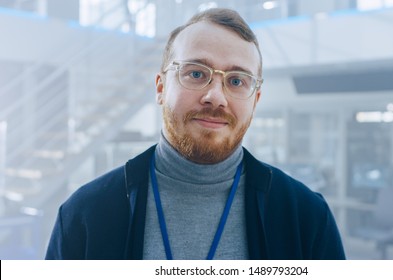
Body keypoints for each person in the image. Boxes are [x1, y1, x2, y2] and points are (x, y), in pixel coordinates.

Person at [45, 8, 345, 260]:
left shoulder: (306, 218)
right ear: (161, 87)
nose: (216, 97)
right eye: (196, 73)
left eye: (237, 81)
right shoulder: (85, 215)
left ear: (255, 100)